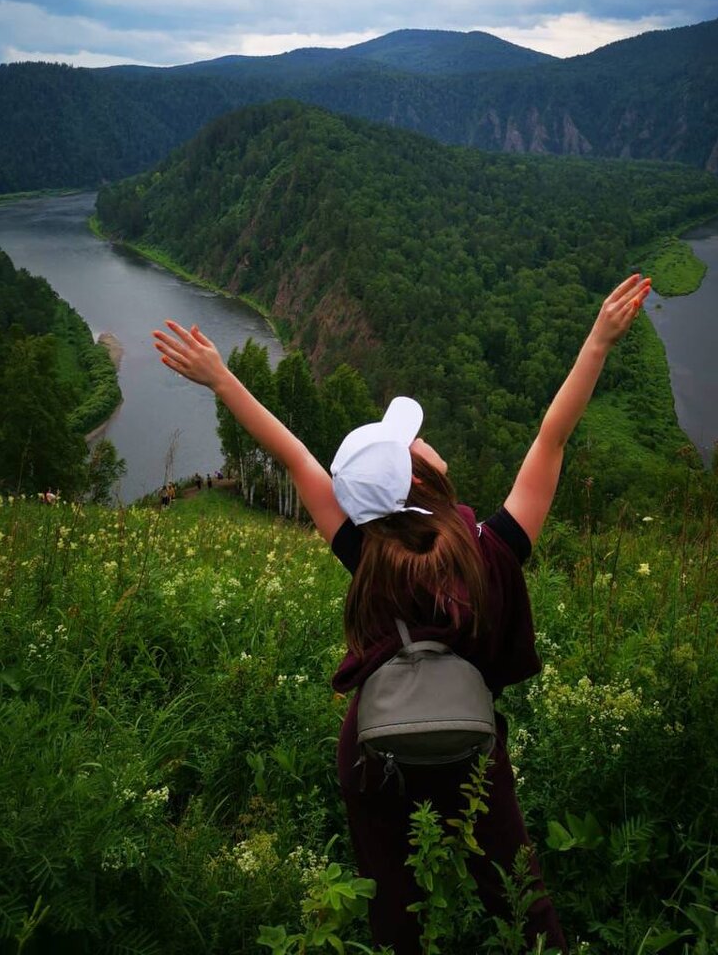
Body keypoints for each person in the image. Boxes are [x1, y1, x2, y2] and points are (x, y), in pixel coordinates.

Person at [152, 272, 651, 952]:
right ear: (420, 479)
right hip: (471, 745)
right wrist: (598, 340)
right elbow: (551, 439)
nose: (423, 442)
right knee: (520, 899)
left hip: (373, 751)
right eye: (413, 445)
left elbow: (293, 454)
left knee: (393, 910)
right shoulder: (490, 551)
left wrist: (221, 380)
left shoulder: (366, 552)